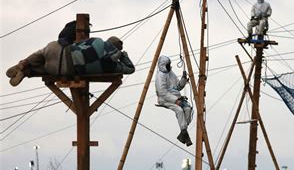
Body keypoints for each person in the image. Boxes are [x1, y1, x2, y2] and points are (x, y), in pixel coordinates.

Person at [6, 35, 134, 86]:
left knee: (42, 54)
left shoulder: (97, 41)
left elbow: (79, 43)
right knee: (45, 70)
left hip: (61, 50)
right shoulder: (111, 67)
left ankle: (23, 64)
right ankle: (27, 72)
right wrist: (124, 56)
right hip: (64, 69)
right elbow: (131, 69)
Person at [155, 55, 193, 146]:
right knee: (179, 110)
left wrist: (183, 80)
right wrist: (175, 100)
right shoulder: (160, 76)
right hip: (165, 99)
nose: (170, 66)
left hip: (177, 98)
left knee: (188, 109)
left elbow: (178, 87)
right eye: (168, 64)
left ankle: (183, 132)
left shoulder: (170, 73)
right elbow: (162, 92)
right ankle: (185, 134)